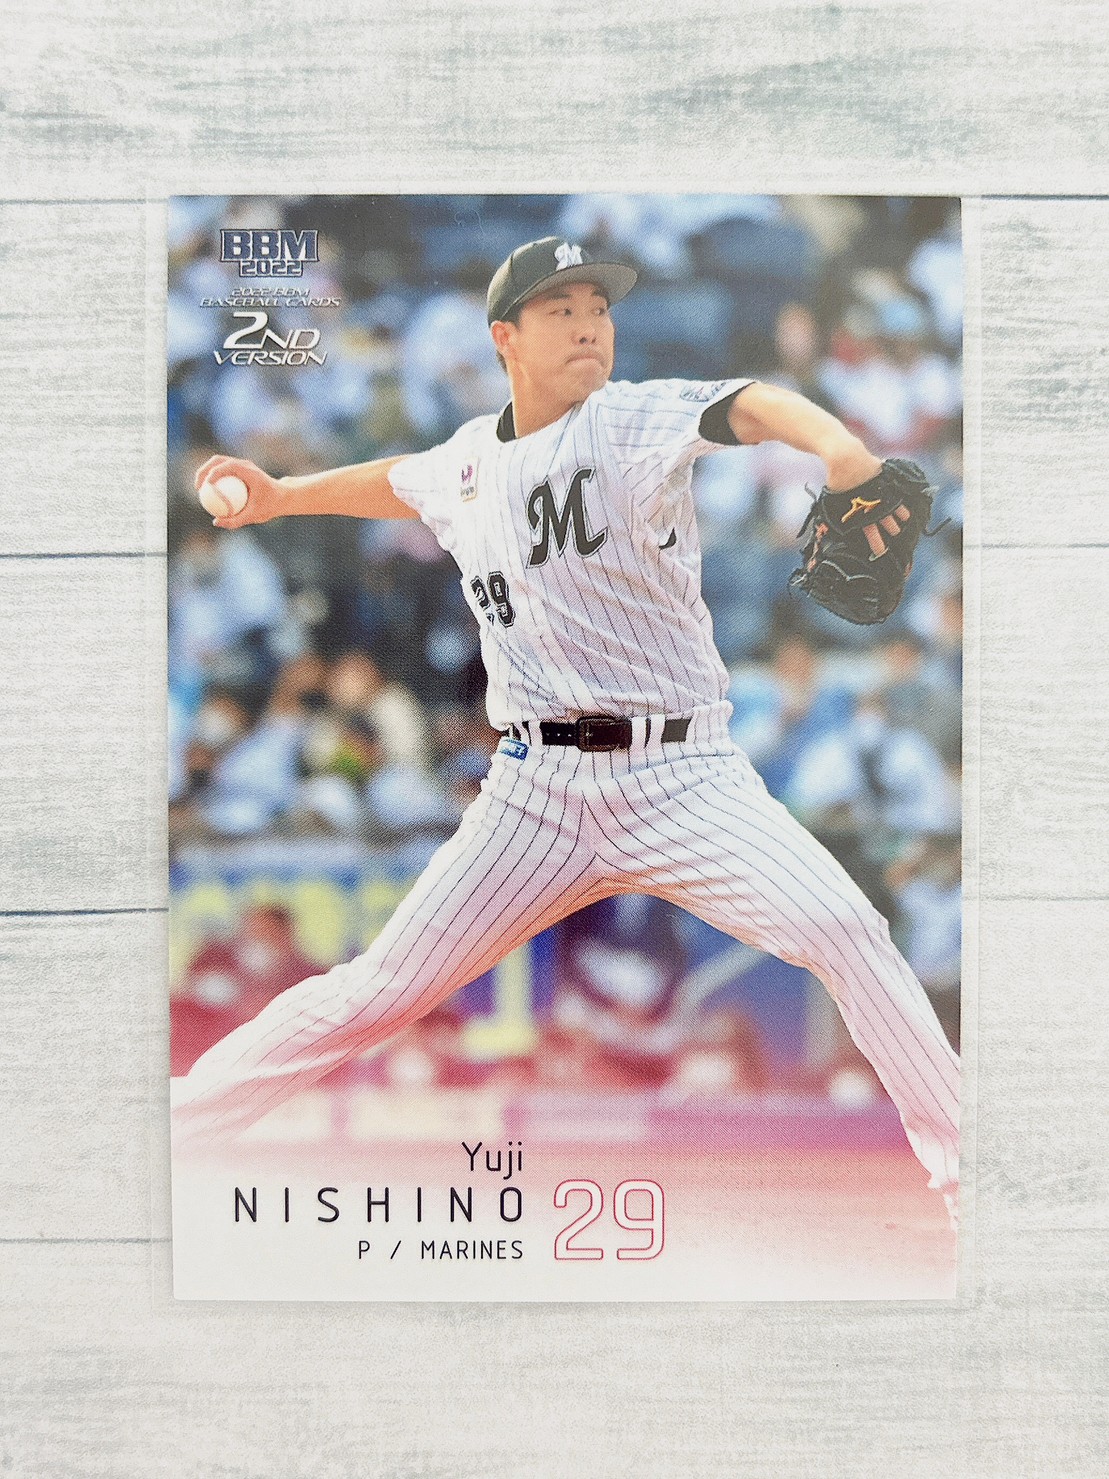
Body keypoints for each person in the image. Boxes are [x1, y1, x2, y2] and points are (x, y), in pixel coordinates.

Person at [173, 237, 958, 1227]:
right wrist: (286, 496)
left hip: (681, 776)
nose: (590, 324)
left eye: (598, 307)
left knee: (844, 929)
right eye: (561, 310)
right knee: (374, 992)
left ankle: (970, 1175)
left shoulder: (628, 420)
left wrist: (842, 454)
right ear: (504, 337)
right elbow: (403, 479)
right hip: (533, 794)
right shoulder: (465, 461)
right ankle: (167, 1138)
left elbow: (753, 403)